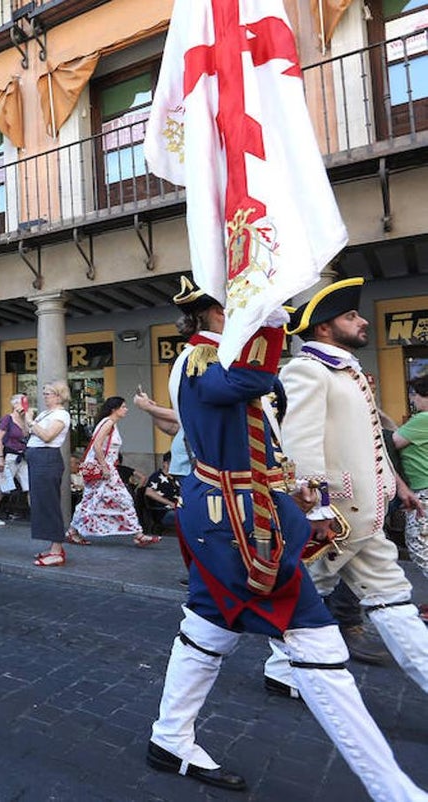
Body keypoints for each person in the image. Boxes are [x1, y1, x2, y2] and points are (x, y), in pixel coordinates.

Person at [145, 279, 424, 800]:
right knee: (319, 645)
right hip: (233, 521)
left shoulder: (222, 359)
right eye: (243, 306)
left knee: (207, 628)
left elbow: (266, 430)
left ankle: (169, 738)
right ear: (215, 313)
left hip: (240, 514)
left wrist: (304, 500)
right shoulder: (201, 359)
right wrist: (269, 324)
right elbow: (247, 381)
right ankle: (397, 793)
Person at [270, 277, 428, 697]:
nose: (362, 321)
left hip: (363, 515)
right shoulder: (307, 370)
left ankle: (280, 668)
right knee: (306, 590)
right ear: (324, 328)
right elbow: (300, 445)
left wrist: (396, 485)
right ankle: (275, 665)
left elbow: (371, 443)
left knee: (392, 598)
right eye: (351, 316)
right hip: (337, 517)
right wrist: (316, 508)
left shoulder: (348, 372)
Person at [66, 397, 156, 548]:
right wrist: (105, 467)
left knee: (92, 500)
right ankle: (138, 535)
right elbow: (97, 445)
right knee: (121, 499)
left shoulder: (109, 423)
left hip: (103, 469)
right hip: (105, 469)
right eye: (123, 407)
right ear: (114, 409)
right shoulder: (108, 423)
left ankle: (72, 531)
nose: (126, 409)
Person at [26, 380, 71, 567]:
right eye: (44, 393)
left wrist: (30, 421)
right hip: (37, 458)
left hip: (47, 459)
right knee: (40, 502)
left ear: (59, 396)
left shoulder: (61, 414)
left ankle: (57, 550)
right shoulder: (46, 413)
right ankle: (54, 547)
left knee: (49, 503)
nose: (44, 396)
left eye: (48, 393)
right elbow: (32, 433)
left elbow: (47, 436)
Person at [395, 374, 428, 578]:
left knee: (419, 544)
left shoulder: (423, 419)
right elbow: (402, 435)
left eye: (414, 394)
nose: (412, 399)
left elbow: (393, 442)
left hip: (423, 490)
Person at [0, 394, 31, 526]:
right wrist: (1, 459)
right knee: (3, 488)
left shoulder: (24, 419)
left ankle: (37, 516)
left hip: (21, 457)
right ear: (15, 404)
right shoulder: (7, 419)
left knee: (30, 486)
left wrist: (26, 418)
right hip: (9, 456)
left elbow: (26, 434)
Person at [143, 452, 180, 531]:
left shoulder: (176, 477)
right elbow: (149, 492)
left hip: (178, 508)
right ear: (165, 464)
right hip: (164, 511)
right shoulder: (156, 477)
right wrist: (170, 503)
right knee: (185, 515)